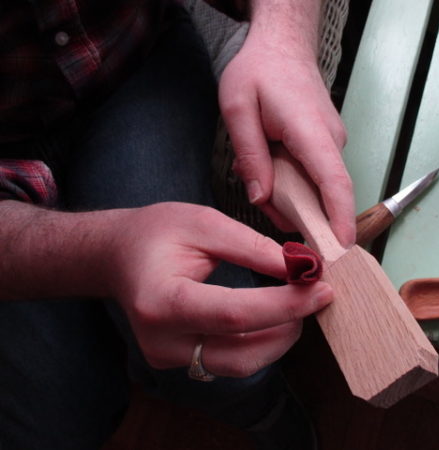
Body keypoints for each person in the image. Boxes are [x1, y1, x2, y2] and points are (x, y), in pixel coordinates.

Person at [0, 0, 355, 449]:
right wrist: (105, 253)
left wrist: (283, 40)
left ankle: (260, 411)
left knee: (228, 347)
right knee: (58, 425)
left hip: (135, 68)